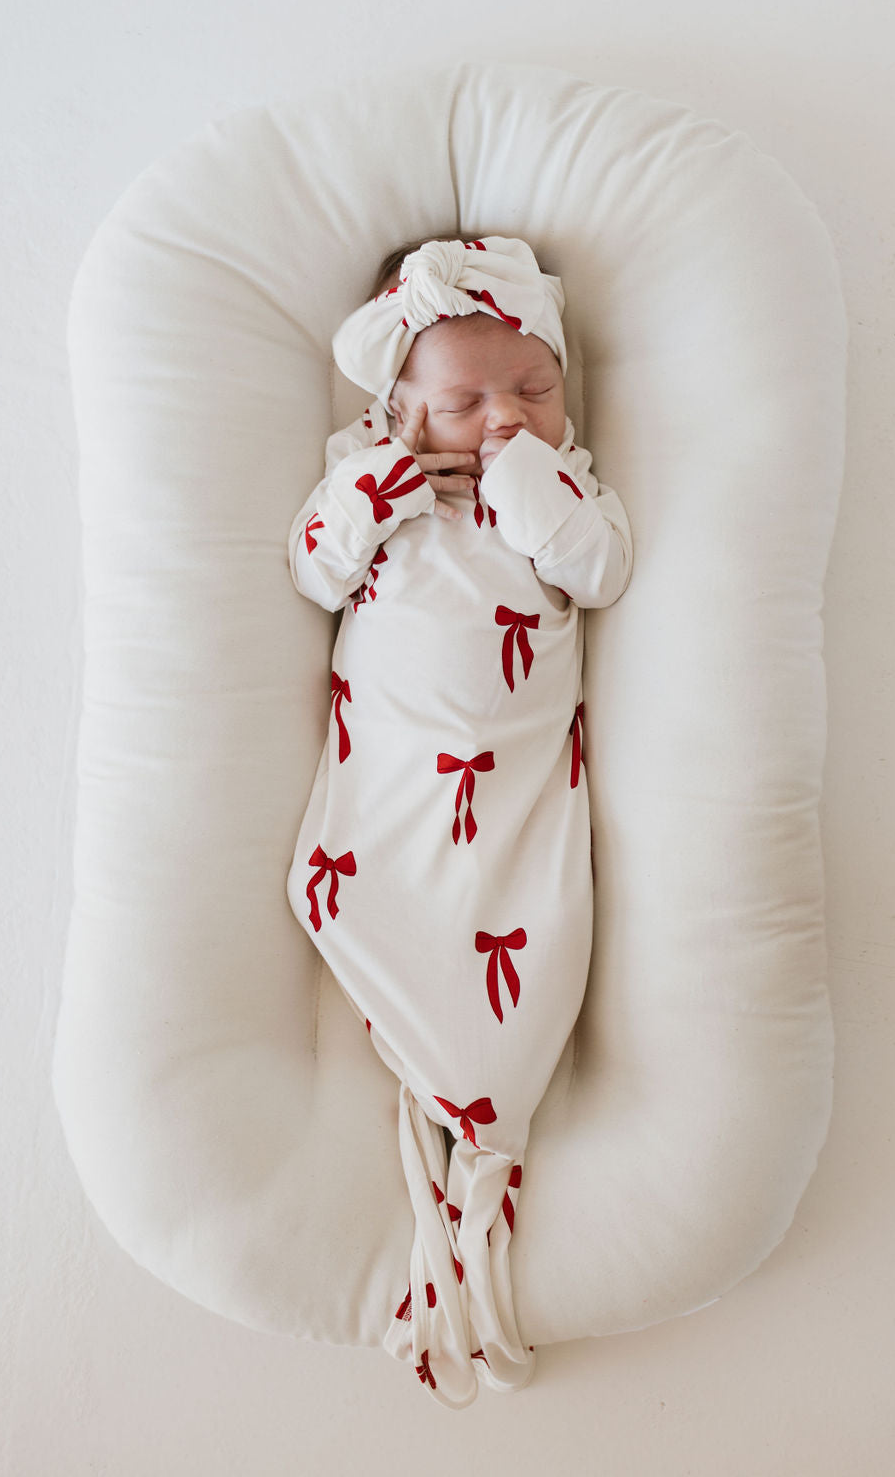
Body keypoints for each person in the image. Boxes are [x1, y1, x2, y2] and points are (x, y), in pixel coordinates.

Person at [286, 236, 633, 1409]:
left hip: (512, 780)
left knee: (522, 924)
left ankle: (475, 1139)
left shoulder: (560, 485)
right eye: (464, 403)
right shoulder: (370, 476)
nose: (502, 420)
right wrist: (380, 486)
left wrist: (530, 485)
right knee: (386, 891)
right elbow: (313, 569)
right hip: (395, 770)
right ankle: (447, 1130)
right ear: (399, 407)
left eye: (533, 390)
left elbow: (599, 572)